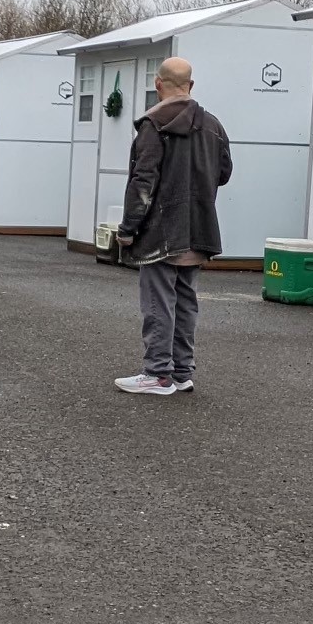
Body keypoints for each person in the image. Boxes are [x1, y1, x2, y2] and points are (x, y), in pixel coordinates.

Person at [113, 56, 233, 396]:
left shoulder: (154, 125)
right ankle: (181, 372)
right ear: (191, 85)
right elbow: (224, 173)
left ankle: (157, 374)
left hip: (161, 233)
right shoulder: (213, 125)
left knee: (158, 301)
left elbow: (142, 181)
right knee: (185, 301)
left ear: (158, 84)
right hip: (199, 228)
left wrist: (127, 228)